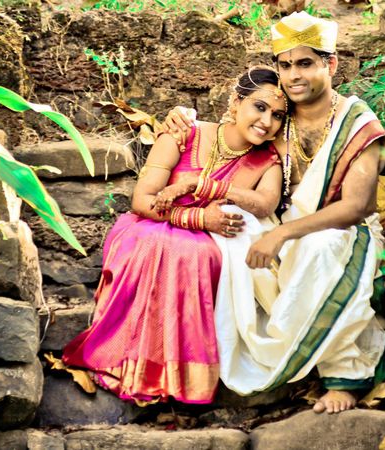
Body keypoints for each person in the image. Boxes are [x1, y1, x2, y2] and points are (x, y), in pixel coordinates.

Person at [164, 12, 385, 414]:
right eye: (285, 65)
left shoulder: (357, 122)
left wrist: (281, 235)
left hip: (344, 231)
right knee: (235, 227)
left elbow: (357, 207)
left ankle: (346, 376)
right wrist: (183, 115)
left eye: (305, 63)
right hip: (283, 226)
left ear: (330, 64)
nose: (292, 75)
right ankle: (242, 348)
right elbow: (232, 123)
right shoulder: (278, 117)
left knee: (321, 246)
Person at [62, 67, 288, 405]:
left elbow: (265, 202)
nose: (267, 121)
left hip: (210, 242)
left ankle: (182, 378)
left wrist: (206, 187)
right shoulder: (185, 133)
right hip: (151, 224)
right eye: (259, 107)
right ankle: (136, 366)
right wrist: (196, 216)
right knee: (163, 246)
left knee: (199, 256)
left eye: (278, 116)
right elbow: (142, 200)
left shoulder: (267, 160)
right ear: (236, 102)